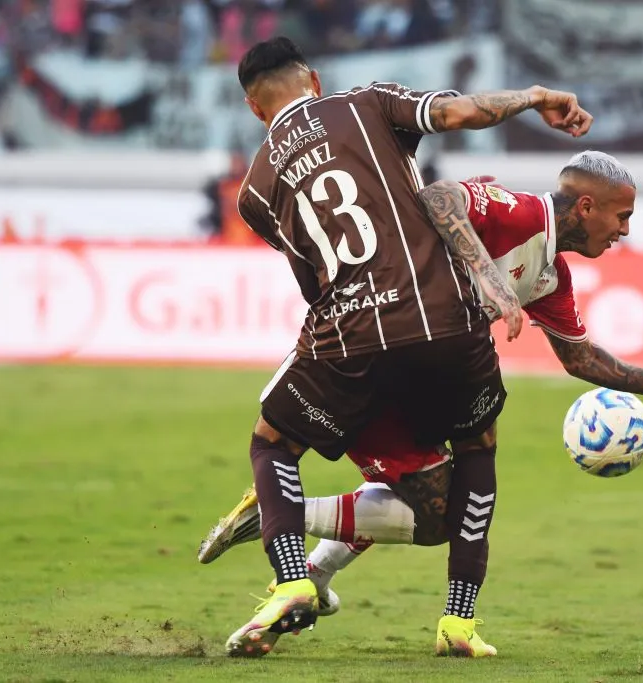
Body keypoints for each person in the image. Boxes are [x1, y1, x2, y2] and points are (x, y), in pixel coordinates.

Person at [201, 152, 643, 651]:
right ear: (587, 206)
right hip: (376, 350)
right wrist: (491, 279)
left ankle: (305, 568)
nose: (625, 231)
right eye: (622, 215)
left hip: (417, 376)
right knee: (461, 472)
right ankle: (423, 604)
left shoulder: (549, 276)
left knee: (431, 511)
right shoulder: (518, 211)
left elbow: (579, 358)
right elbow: (438, 196)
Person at [225, 37, 593, 658]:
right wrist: (534, 98)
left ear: (256, 110)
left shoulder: (254, 191)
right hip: (445, 318)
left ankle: (292, 579)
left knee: (272, 441)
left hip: (350, 333)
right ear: (313, 78)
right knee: (478, 447)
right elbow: (459, 114)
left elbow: (310, 276)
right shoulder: (365, 103)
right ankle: (459, 621)